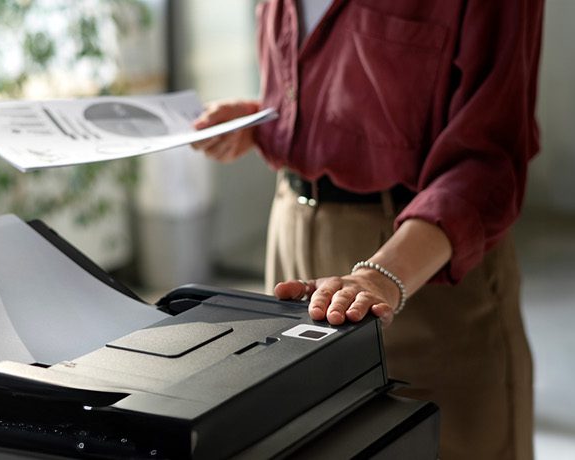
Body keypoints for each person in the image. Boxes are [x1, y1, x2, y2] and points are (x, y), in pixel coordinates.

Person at [191, 0, 543, 458]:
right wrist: (270, 120)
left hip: (419, 264)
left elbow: (486, 161)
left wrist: (380, 276)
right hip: (291, 239)